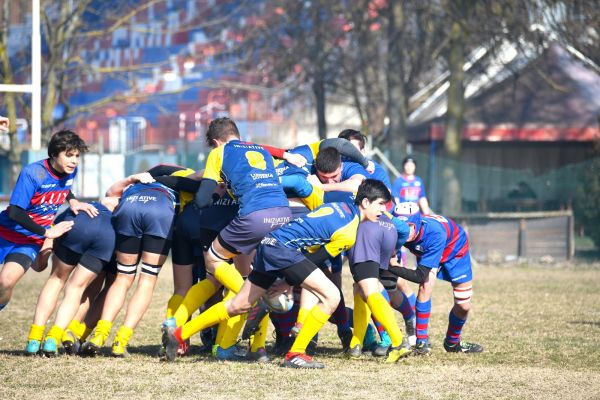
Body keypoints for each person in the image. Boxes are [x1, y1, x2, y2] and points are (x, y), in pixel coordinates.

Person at [165, 179, 391, 369]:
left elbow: (308, 249)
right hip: (282, 250)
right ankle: (297, 354)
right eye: (380, 204)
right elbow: (316, 259)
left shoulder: (339, 206)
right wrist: (287, 282)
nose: (383, 210)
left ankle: (178, 335)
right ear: (365, 202)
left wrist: (287, 280)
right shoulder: (349, 231)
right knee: (332, 296)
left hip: (269, 244)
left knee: (240, 303)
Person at [164, 117, 291, 360]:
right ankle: (256, 348)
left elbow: (201, 198)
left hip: (252, 216)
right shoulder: (260, 150)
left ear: (215, 142)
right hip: (282, 214)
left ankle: (253, 300)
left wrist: (212, 192)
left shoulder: (220, 152)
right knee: (254, 274)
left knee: (213, 263)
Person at [81, 165, 200, 357]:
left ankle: (99, 336)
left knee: (123, 278)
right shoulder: (183, 177)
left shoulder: (139, 179)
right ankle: (121, 341)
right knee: (147, 280)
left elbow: (110, 193)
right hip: (159, 208)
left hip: (131, 205)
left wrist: (133, 178)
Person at [0, 130, 95, 314]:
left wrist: (73, 200)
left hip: (30, 241)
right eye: (69, 155)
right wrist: (47, 233)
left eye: (76, 155)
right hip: (5, 232)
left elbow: (64, 187)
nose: (74, 160)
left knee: (5, 282)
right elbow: (15, 212)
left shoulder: (70, 171)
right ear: (53, 154)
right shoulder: (33, 173)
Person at [390, 202, 483, 354]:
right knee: (425, 287)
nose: (404, 231)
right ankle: (421, 342)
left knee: (463, 305)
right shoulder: (399, 231)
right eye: (400, 226)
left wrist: (392, 267)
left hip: (455, 248)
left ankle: (452, 343)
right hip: (429, 249)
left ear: (417, 224)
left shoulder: (434, 234)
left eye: (409, 226)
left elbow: (419, 275)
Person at [346, 211, 412, 361]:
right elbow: (403, 230)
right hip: (388, 237)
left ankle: (396, 340)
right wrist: (395, 247)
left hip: (365, 240)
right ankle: (356, 345)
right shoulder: (384, 213)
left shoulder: (357, 204)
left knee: (370, 289)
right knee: (363, 288)